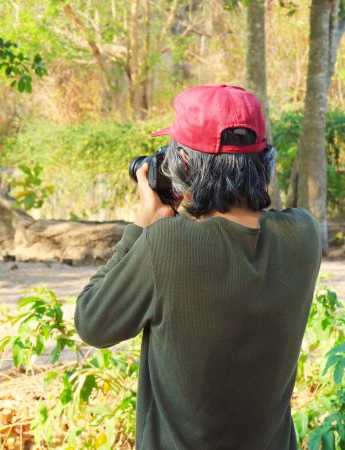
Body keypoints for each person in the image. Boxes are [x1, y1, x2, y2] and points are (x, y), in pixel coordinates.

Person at [75, 84, 322, 450]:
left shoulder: (166, 244)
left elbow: (93, 323)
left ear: (186, 165)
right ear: (264, 160)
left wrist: (141, 228)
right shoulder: (304, 235)